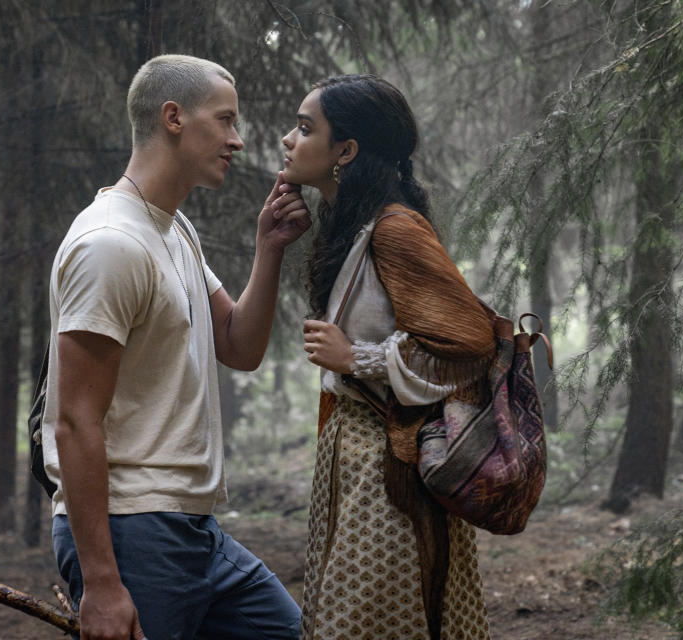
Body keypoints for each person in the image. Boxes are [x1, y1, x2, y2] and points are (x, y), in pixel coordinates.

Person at [41, 54, 310, 640]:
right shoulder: (110, 243)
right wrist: (104, 585)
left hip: (193, 529)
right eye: (225, 120)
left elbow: (238, 345)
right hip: (132, 532)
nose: (237, 140)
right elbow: (74, 420)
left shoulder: (171, 227)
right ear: (173, 118)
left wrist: (269, 250)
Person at [285, 74, 496, 639]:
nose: (288, 139)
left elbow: (472, 341)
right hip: (354, 460)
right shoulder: (352, 227)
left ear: (346, 151)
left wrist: (358, 358)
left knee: (370, 622)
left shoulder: (395, 230)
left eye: (306, 129)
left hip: (391, 471)